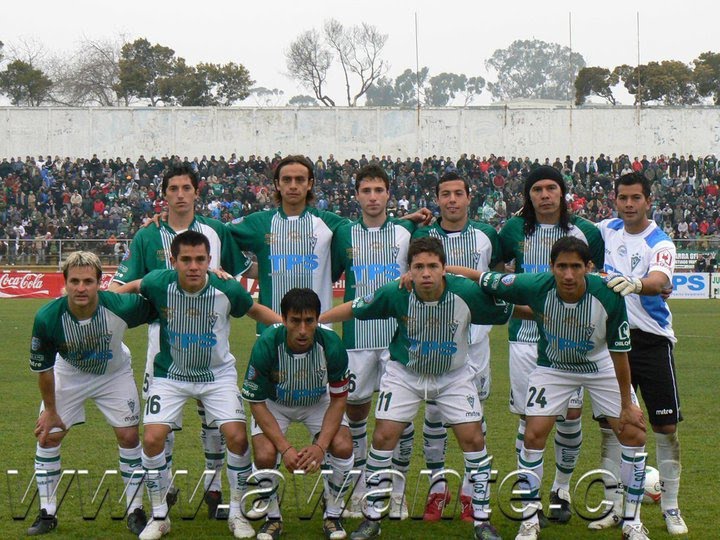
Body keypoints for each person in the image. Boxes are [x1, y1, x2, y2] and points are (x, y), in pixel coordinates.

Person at [321, 237, 520, 540]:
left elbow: (510, 310)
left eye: (432, 266)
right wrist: (318, 321)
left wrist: (549, 314)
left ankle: (481, 519)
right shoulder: (397, 292)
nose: (425, 273)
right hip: (405, 373)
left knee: (473, 438)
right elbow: (356, 307)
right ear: (409, 271)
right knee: (384, 435)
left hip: (453, 376)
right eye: (418, 267)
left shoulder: (466, 292)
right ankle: (372, 517)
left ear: (443, 269)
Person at [478, 237, 648, 540]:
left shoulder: (608, 294)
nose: (568, 275)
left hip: (600, 365)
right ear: (551, 267)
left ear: (589, 267)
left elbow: (620, 353)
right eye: (561, 267)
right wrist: (441, 273)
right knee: (533, 434)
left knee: (633, 432)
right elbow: (480, 278)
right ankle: (529, 519)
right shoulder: (535, 284)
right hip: (553, 367)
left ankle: (633, 522)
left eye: (575, 267)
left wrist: (627, 404)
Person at [111, 163, 253, 518]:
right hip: (163, 340)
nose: (179, 194)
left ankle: (214, 487)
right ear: (164, 194)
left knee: (215, 421)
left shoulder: (216, 231)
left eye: (185, 188)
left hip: (211, 339)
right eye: (172, 188)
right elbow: (124, 283)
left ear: (195, 191)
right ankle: (167, 484)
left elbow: (238, 275)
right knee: (163, 423)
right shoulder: (147, 235)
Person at [123, 230, 280, 540]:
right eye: (186, 260)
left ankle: (237, 512)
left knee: (236, 437)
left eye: (199, 260)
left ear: (209, 261)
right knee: (152, 439)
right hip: (171, 375)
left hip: (217, 376)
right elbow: (134, 286)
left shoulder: (226, 289)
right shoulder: (158, 282)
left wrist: (283, 325)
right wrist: (103, 298)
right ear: (173, 261)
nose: (193, 266)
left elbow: (253, 310)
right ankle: (159, 516)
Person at [498, 165, 604, 523]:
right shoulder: (512, 230)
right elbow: (498, 274)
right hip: (525, 339)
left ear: (562, 193)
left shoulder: (586, 231)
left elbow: (596, 284)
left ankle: (560, 489)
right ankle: (527, 494)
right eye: (537, 189)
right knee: (530, 420)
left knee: (570, 416)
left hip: (570, 342)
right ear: (528, 196)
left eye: (551, 188)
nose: (545, 195)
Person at [28, 251, 155, 536]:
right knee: (48, 435)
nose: (81, 288)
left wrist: (140, 283)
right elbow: (44, 369)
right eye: (74, 281)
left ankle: (135, 509)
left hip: (114, 373)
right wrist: (50, 411)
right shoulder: (48, 317)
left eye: (88, 281)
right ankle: (47, 512)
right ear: (65, 282)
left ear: (100, 282)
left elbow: (160, 304)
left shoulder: (121, 306)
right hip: (68, 372)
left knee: (129, 436)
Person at [596, 172, 688, 536]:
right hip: (610, 342)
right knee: (612, 426)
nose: (629, 204)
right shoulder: (604, 230)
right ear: (615, 200)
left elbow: (660, 279)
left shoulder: (661, 241)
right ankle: (612, 507)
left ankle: (671, 507)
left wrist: (637, 284)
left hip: (651, 342)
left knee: (665, 426)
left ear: (648, 200)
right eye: (623, 198)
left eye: (636, 198)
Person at [412, 171, 503, 521]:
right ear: (437, 199)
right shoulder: (423, 235)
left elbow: (495, 275)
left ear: (469, 198)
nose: (451, 200)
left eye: (458, 194)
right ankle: (437, 488)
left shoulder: (487, 235)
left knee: (473, 418)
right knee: (433, 415)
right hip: (434, 338)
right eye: (445, 194)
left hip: (476, 340)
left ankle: (470, 491)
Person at [330, 164, 416, 519]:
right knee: (356, 413)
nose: (373, 197)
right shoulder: (343, 234)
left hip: (398, 336)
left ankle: (398, 492)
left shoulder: (406, 231)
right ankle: (362, 489)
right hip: (356, 338)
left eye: (379, 190)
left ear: (388, 194)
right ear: (357, 196)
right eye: (366, 191)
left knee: (403, 415)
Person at [242, 288, 353, 540]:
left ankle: (332, 513)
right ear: (284, 320)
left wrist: (321, 447)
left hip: (318, 401)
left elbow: (338, 399)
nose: (302, 330)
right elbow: (256, 403)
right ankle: (272, 518)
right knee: (264, 453)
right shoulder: (267, 344)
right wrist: (286, 449)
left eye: (309, 321)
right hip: (275, 402)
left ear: (317, 320)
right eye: (295, 321)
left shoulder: (332, 344)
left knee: (344, 445)